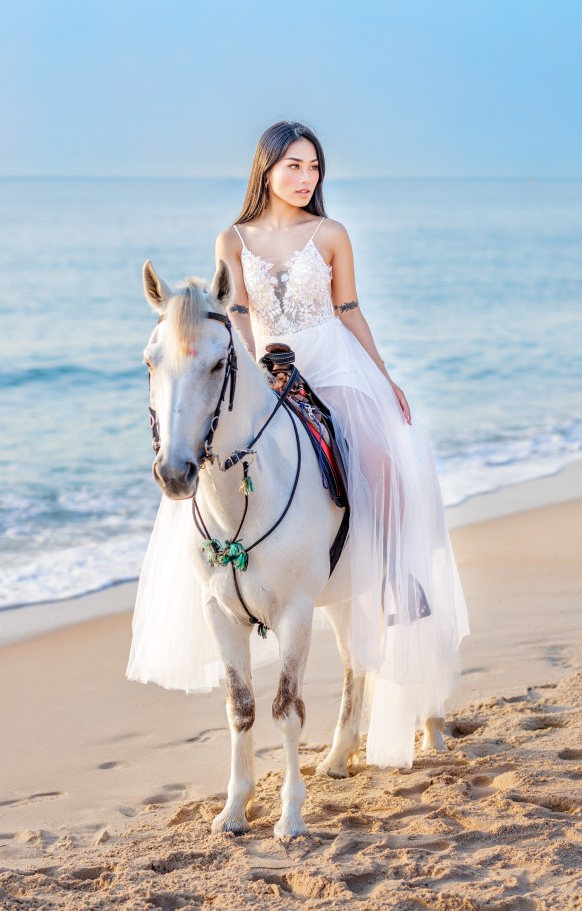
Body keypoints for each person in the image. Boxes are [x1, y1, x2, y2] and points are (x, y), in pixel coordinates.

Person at [127, 119, 469, 768]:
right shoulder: (232, 238)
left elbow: (348, 312)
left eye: (313, 166)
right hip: (271, 368)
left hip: (335, 365)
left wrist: (384, 376)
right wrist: (258, 376)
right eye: (292, 165)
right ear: (266, 170)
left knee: (377, 462)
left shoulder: (332, 234)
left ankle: (397, 583)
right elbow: (233, 318)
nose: (304, 176)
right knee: (226, 469)